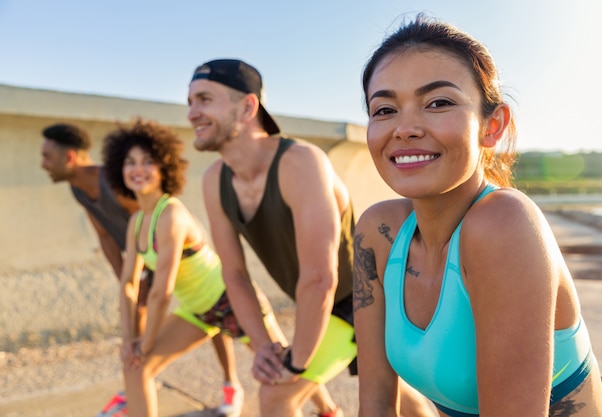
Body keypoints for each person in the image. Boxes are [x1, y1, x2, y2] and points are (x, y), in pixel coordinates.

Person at [353, 12, 602, 417]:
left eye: (438, 102)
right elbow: (375, 404)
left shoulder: (505, 224)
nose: (405, 127)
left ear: (492, 126)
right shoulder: (378, 232)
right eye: (384, 109)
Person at [188, 58, 436, 417]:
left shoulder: (300, 163)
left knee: (276, 396)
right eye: (190, 102)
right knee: (405, 401)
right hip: (326, 304)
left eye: (204, 99)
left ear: (247, 107)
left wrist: (293, 364)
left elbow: (320, 279)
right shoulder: (215, 180)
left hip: (367, 298)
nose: (192, 113)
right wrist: (264, 348)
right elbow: (235, 275)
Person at [40, 123, 244, 417]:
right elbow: (106, 237)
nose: (43, 164)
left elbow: (153, 218)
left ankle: (230, 384)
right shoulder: (79, 189)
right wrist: (125, 280)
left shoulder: (117, 185)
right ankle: (133, 393)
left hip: (166, 255)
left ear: (69, 157)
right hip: (144, 260)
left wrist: (144, 279)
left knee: (213, 314)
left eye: (47, 157)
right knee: (140, 346)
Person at [101, 119, 286, 417]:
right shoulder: (137, 222)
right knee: (135, 367)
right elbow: (128, 285)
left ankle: (329, 410)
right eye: (130, 162)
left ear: (164, 168)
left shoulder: (170, 214)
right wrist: (129, 342)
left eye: (148, 161)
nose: (138, 169)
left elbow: (162, 291)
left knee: (288, 370)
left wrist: (145, 343)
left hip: (233, 299)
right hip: (198, 310)